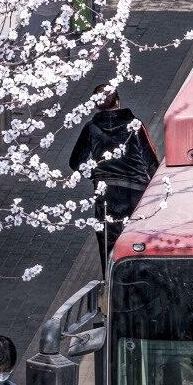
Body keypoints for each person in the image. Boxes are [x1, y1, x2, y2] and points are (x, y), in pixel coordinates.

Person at [69, 87, 159, 271]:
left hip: (107, 193)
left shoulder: (91, 128)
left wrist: (96, 175)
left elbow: (75, 162)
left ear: (95, 105)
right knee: (138, 241)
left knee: (109, 244)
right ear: (118, 101)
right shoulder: (135, 124)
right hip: (135, 191)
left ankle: (111, 283)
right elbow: (152, 163)